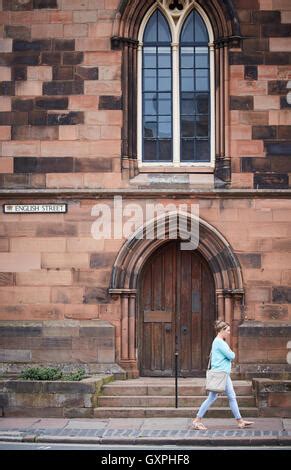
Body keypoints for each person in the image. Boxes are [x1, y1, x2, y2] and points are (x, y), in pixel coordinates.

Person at [192, 320, 254, 430]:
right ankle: (197, 420)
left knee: (231, 397)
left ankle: (240, 421)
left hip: (223, 374)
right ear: (222, 330)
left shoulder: (218, 341)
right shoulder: (220, 342)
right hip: (221, 374)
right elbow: (231, 356)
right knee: (213, 398)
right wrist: (231, 353)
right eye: (228, 330)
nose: (229, 333)